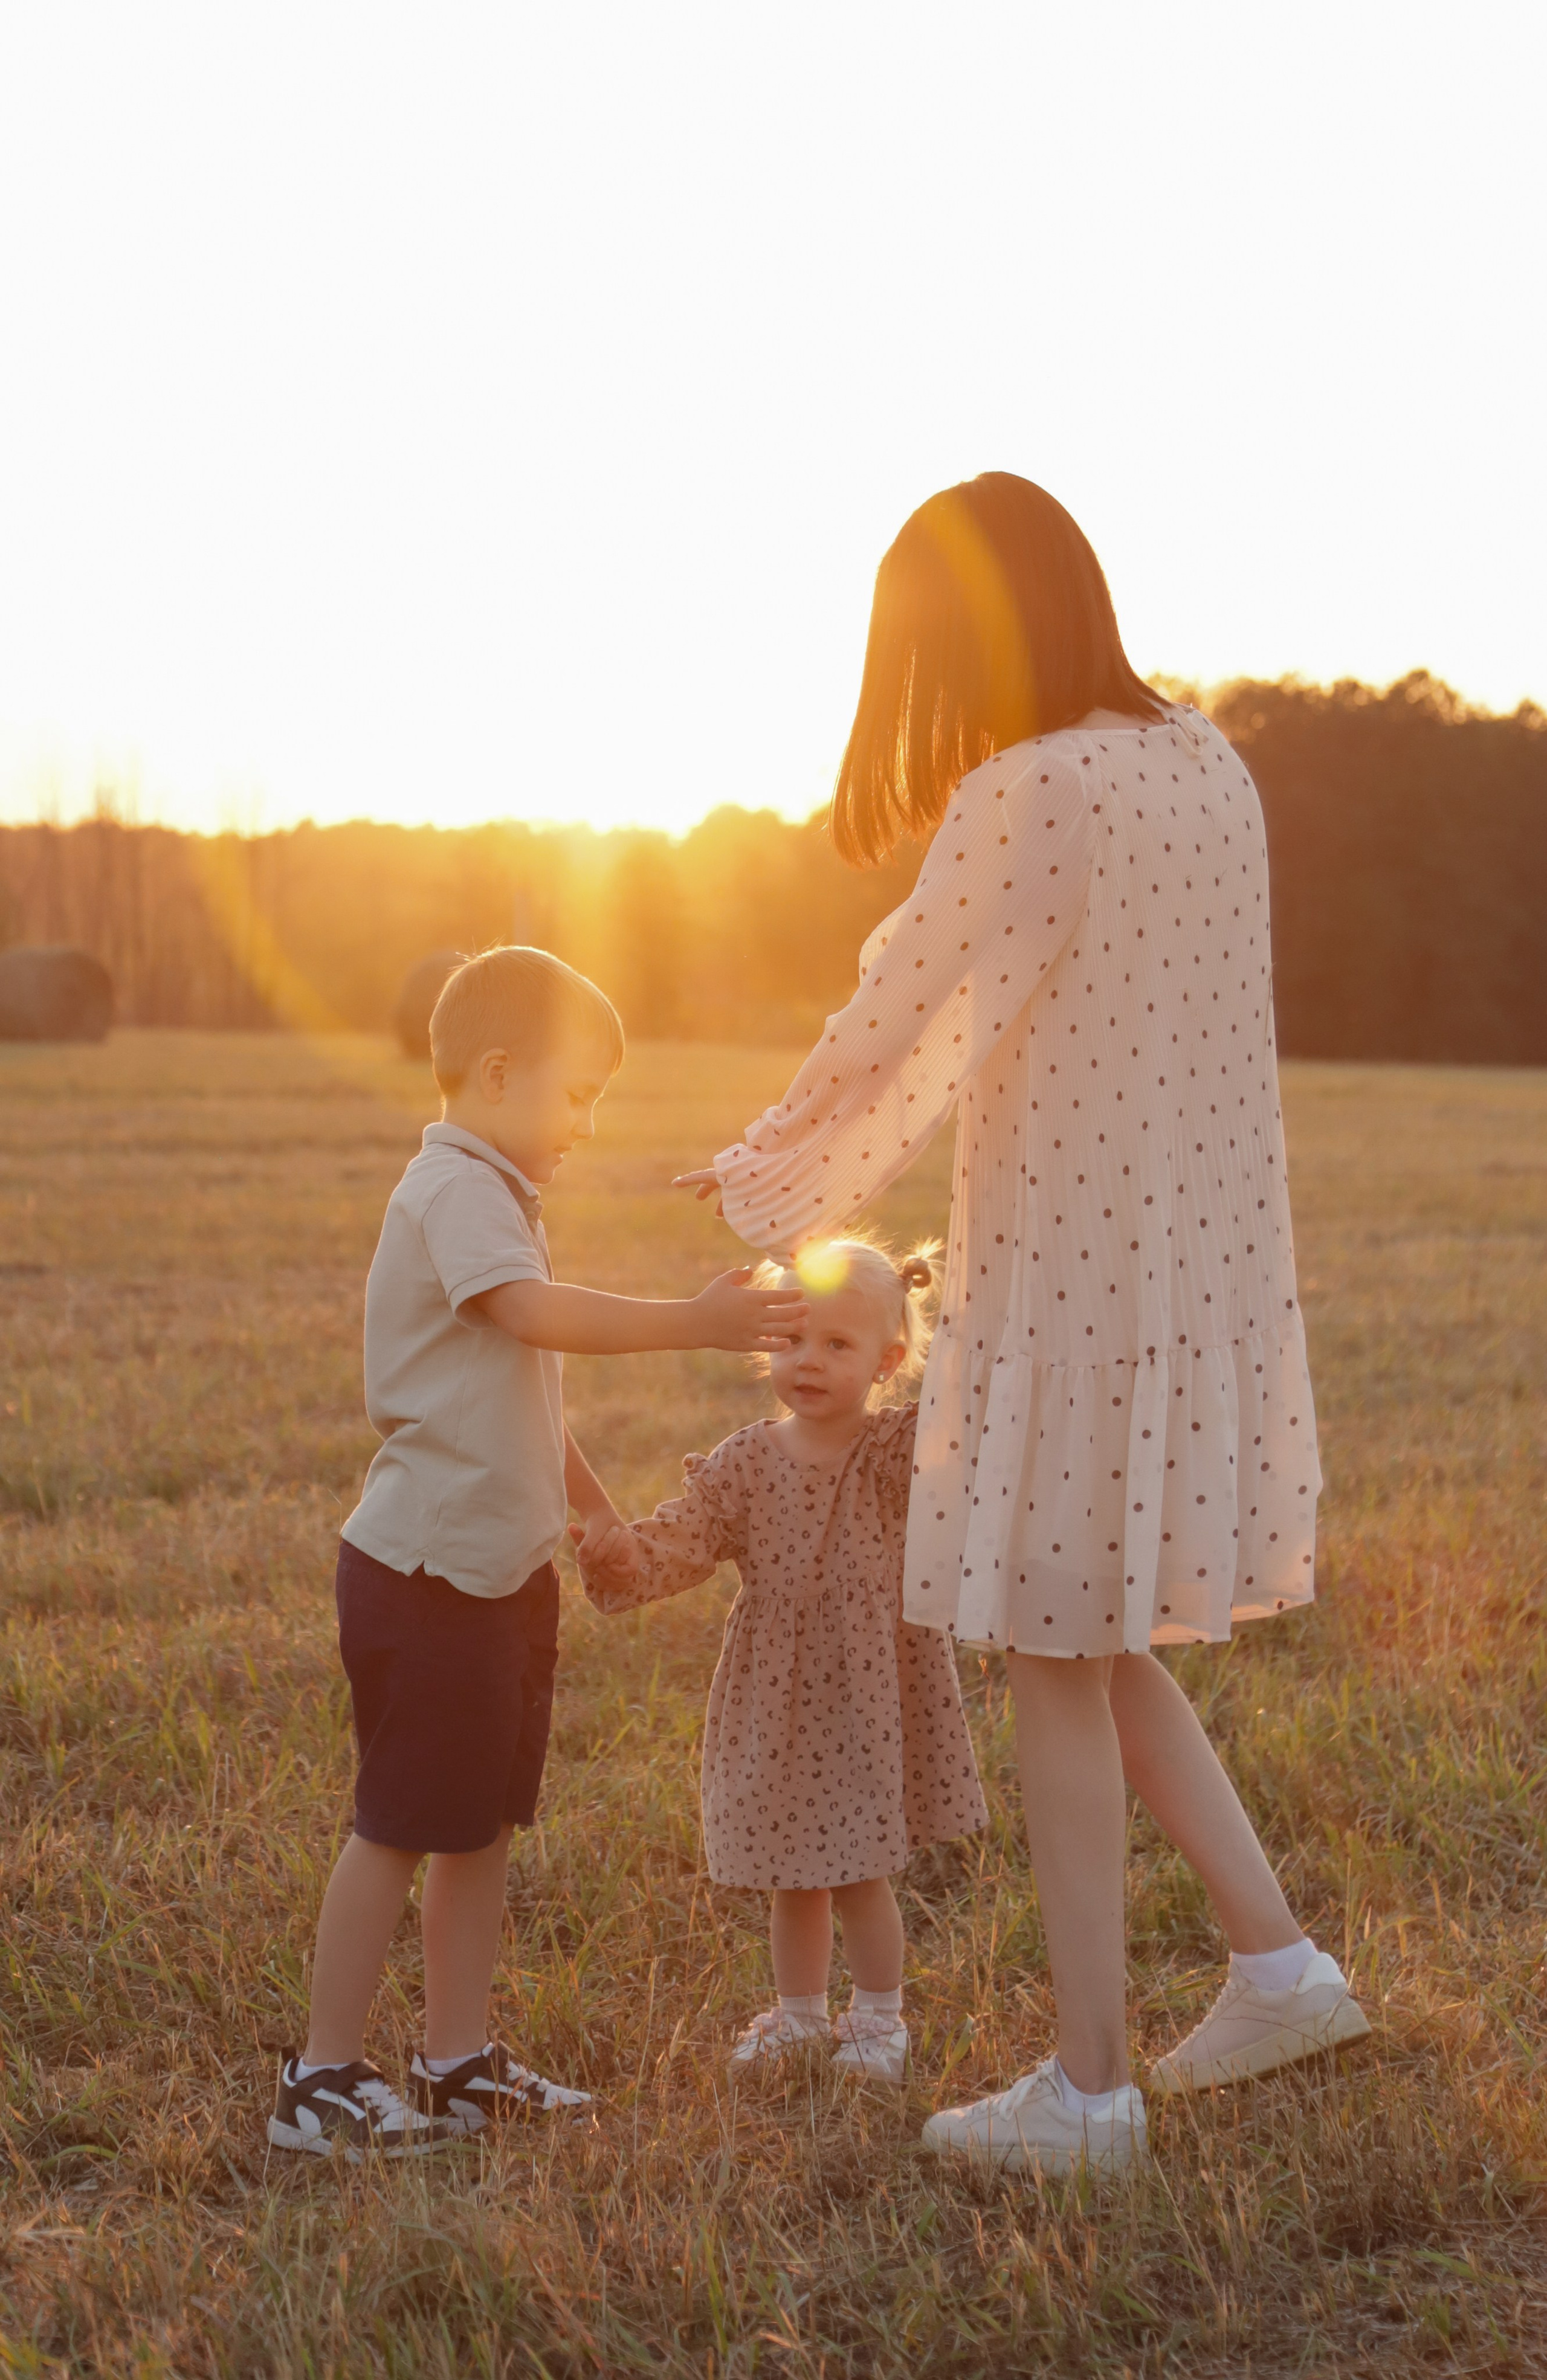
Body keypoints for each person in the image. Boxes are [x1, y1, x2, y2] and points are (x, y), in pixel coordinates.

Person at [676, 474, 1369, 2176]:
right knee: (1102, 1629)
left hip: (1074, 1276)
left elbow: (905, 1009)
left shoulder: (1032, 788)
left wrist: (768, 1170)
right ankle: (1279, 1966)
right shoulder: (1206, 760)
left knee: (1060, 1653)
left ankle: (1089, 2087)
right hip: (1192, 1269)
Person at [268, 945, 807, 2160]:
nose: (588, 1120)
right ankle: (319, 2077)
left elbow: (525, 1385)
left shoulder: (500, 1193)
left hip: (502, 1572)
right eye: (576, 1092)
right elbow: (531, 1316)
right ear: (498, 1072)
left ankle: (454, 2061)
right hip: (425, 1576)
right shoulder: (453, 1188)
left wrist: (597, 1512)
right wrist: (697, 1324)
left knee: (476, 1827)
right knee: (396, 1825)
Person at [575, 1234, 987, 2088]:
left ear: (888, 1360)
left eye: (839, 1345)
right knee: (792, 1870)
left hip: (872, 1692)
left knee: (863, 1868)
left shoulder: (892, 1454)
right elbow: (684, 1543)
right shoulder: (745, 1463)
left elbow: (969, 1401)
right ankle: (799, 2015)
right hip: (779, 1694)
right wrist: (622, 1557)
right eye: (792, 1339)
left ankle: (878, 2017)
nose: (810, 1361)